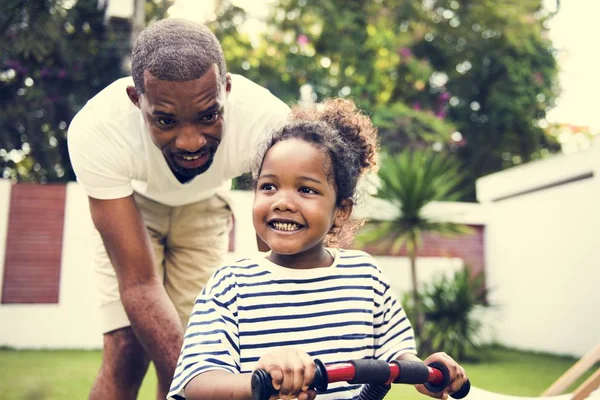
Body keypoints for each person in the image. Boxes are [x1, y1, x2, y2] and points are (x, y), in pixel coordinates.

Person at [168, 99, 468, 400]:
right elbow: (196, 382)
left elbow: (396, 353)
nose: (282, 201)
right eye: (269, 186)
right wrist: (260, 382)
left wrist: (424, 373)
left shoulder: (365, 277)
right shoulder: (231, 284)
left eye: (306, 190)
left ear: (341, 210)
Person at [67, 18, 290, 399]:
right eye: (165, 120)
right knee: (127, 350)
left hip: (205, 210)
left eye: (208, 116)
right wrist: (199, 385)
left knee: (200, 344)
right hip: (133, 206)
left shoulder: (267, 123)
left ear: (227, 89)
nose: (189, 142)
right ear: (137, 101)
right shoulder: (97, 130)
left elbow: (275, 263)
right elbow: (138, 283)